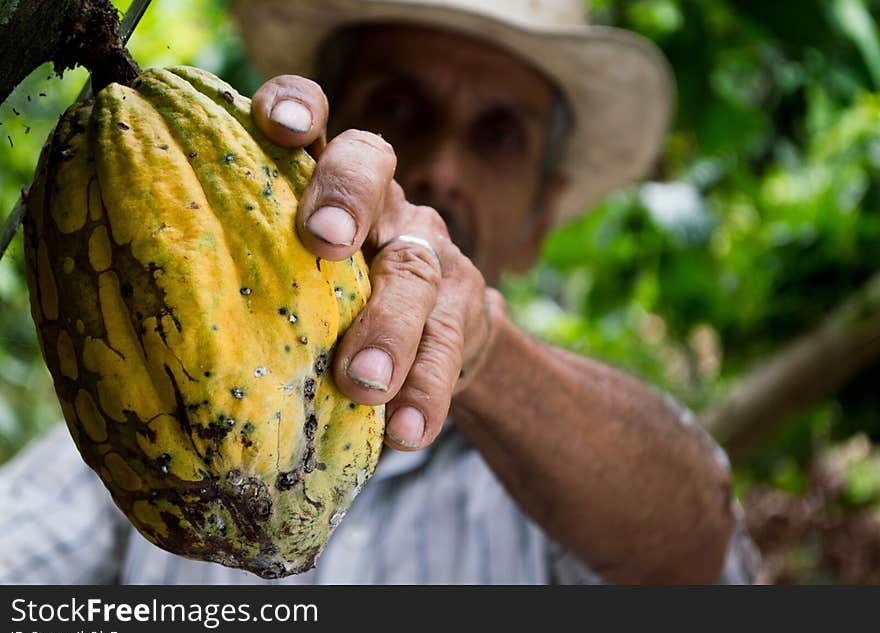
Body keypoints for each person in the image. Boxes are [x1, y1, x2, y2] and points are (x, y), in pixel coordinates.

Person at [0, 0, 758, 584]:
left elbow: (698, 546)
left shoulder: (566, 489)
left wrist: (482, 351)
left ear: (541, 218)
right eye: (398, 107)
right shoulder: (137, 405)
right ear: (310, 131)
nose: (441, 168)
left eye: (498, 134)